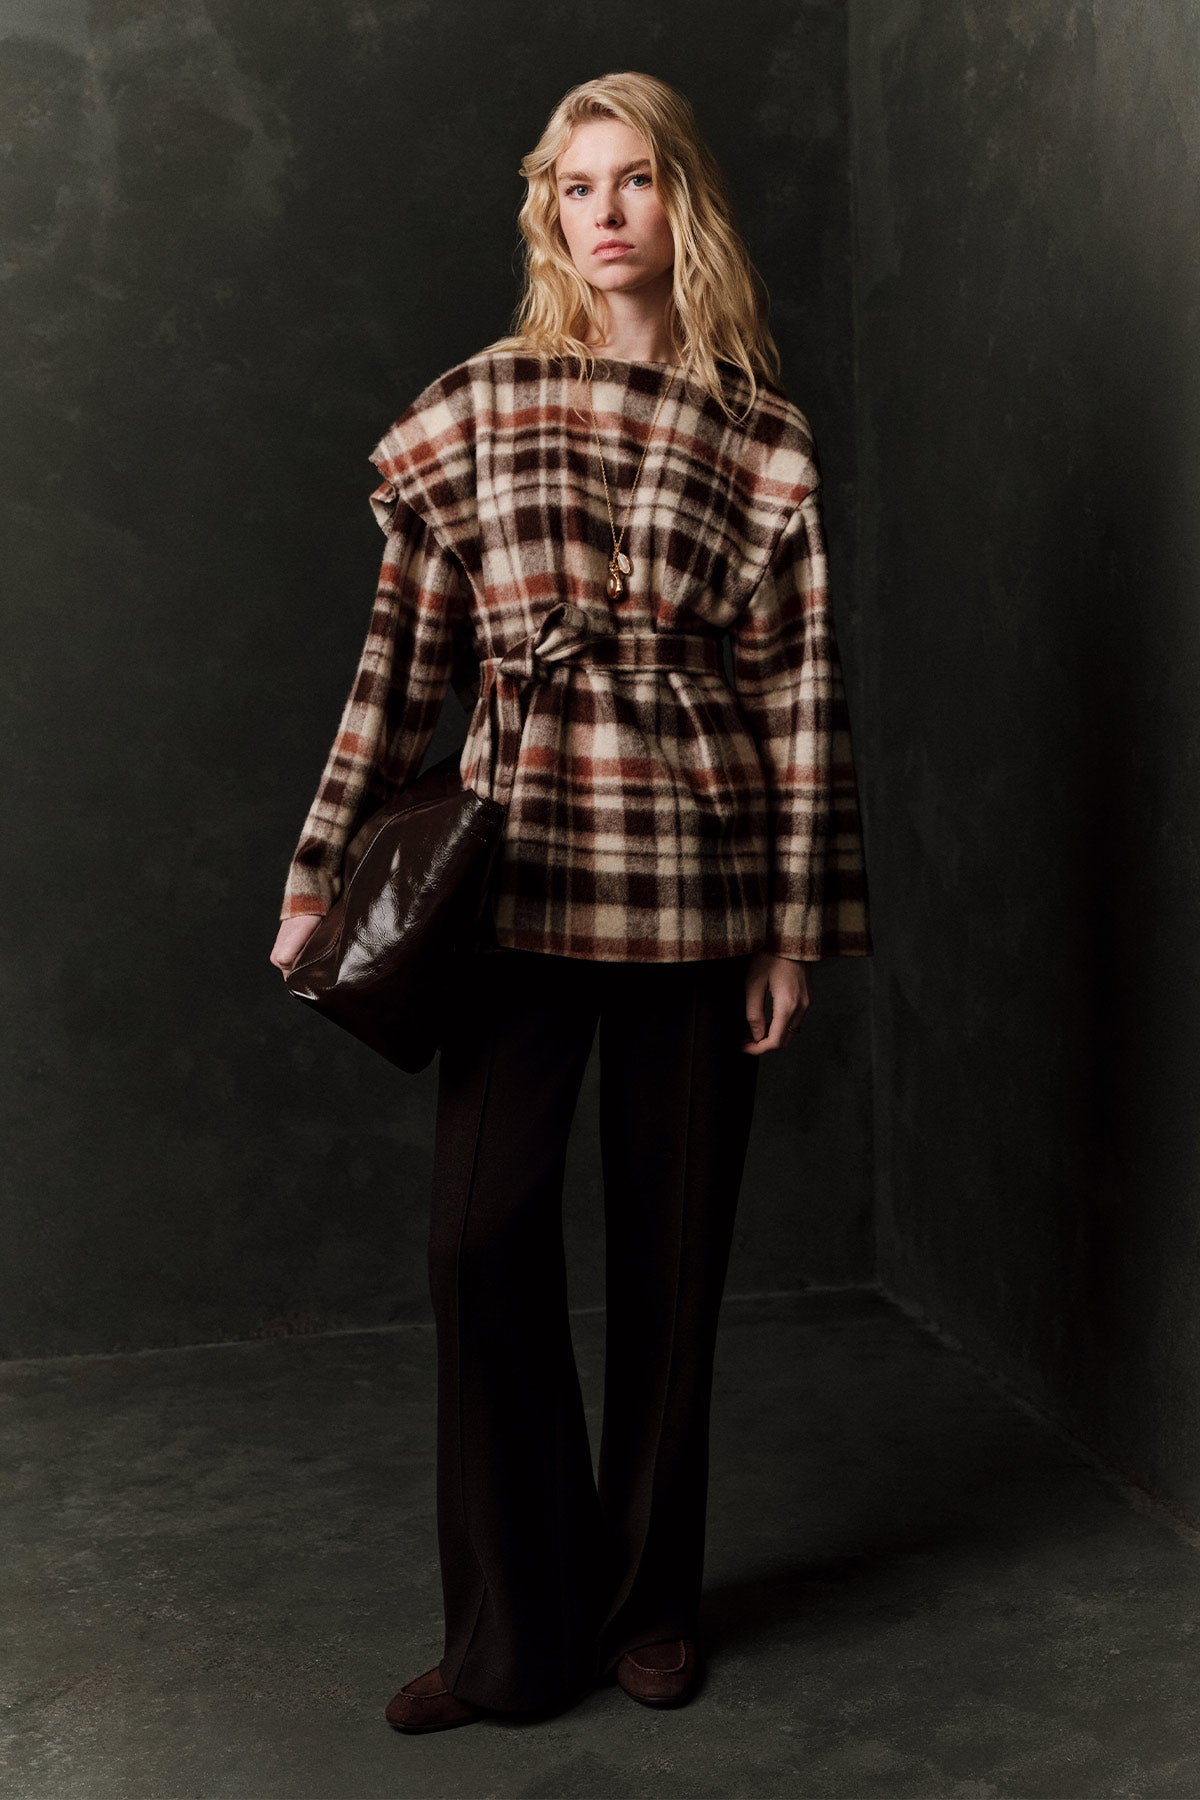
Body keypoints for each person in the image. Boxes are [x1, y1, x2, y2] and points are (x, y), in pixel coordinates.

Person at [269, 70, 872, 1733]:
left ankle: (648, 1605)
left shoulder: (761, 437)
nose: (606, 213)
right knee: (480, 1240)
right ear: (549, 214)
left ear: (686, 204)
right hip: (515, 867)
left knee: (674, 1261)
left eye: (637, 181)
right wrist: (322, 868)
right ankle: (510, 1638)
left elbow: (798, 697)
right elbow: (399, 667)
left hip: (697, 874)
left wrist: (790, 929)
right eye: (576, 186)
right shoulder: (477, 404)